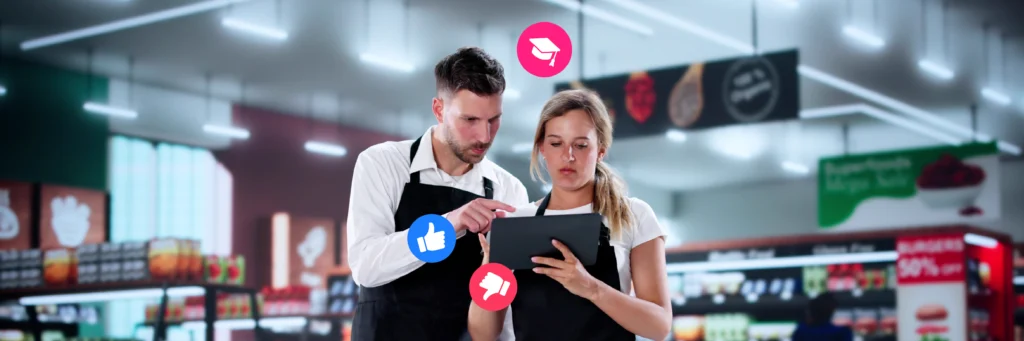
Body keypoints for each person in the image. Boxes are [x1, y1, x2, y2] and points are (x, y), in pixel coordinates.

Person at [346, 46, 530, 341]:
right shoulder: (383, 164)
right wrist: (447, 226)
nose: (484, 136)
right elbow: (366, 267)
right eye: (470, 120)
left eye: (494, 119)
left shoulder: (508, 189)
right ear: (439, 109)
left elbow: (501, 299)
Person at [468, 89, 673, 341]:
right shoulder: (515, 222)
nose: (568, 156)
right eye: (556, 143)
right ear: (542, 148)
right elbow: (482, 334)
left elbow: (660, 326)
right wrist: (491, 267)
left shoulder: (632, 215)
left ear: (600, 150)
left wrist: (591, 288)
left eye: (581, 145)